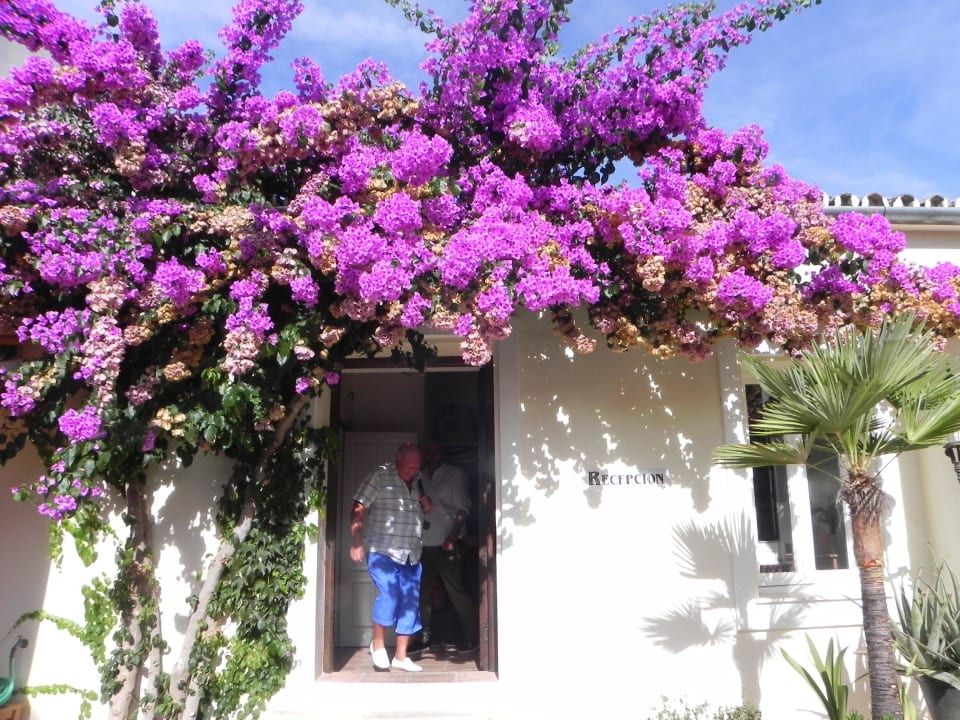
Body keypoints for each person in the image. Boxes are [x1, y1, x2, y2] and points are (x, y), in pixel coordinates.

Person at [350, 442, 432, 672]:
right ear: (398, 461)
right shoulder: (380, 476)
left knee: (409, 601)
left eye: (418, 465)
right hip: (383, 550)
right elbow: (358, 508)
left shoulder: (418, 481)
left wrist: (427, 506)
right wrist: (356, 541)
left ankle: (401, 656)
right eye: (411, 465)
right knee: (390, 593)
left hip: (411, 553)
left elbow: (422, 509)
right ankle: (378, 646)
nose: (415, 470)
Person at [409, 441, 478, 657]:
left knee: (455, 592)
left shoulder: (454, 475)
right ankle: (424, 637)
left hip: (447, 542)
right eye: (427, 453)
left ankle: (472, 635)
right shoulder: (418, 476)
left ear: (442, 453)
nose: (430, 457)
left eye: (434, 452)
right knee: (422, 594)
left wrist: (453, 535)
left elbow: (463, 509)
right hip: (422, 543)